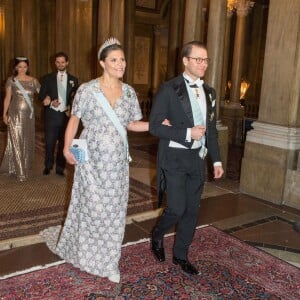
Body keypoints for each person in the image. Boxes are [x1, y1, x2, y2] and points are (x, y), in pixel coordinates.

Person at [41, 38, 149, 284]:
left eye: (122, 59)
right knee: (90, 207)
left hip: (117, 163)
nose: (120, 64)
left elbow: (131, 123)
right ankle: (86, 253)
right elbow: (75, 120)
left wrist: (157, 125)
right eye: (114, 60)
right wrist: (67, 147)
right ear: (102, 63)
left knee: (114, 210)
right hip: (90, 160)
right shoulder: (88, 90)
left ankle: (109, 261)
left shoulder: (130, 92)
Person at [149, 41, 224, 275]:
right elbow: (154, 126)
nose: (203, 64)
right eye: (198, 59)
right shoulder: (169, 89)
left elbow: (211, 129)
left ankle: (181, 255)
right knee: (176, 208)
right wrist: (186, 133)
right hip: (174, 157)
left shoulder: (209, 92)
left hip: (197, 159)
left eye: (206, 60)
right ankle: (157, 234)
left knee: (192, 211)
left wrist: (217, 160)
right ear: (185, 60)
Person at [0, 57, 40, 181]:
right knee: (16, 140)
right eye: (20, 66)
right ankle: (20, 171)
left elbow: (42, 94)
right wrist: (4, 114)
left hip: (29, 116)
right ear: (16, 67)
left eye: (24, 67)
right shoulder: (11, 80)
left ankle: (22, 165)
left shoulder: (33, 81)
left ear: (27, 68)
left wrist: (49, 98)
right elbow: (7, 98)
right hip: (15, 114)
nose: (22, 69)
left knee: (26, 140)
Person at [39, 52, 78, 176]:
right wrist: (49, 101)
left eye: (63, 62)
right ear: (55, 63)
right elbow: (41, 96)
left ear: (67, 63)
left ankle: (60, 168)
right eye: (58, 62)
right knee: (50, 142)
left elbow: (76, 98)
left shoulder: (74, 80)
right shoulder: (48, 78)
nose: (60, 64)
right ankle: (48, 165)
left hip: (66, 116)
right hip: (51, 115)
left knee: (64, 142)